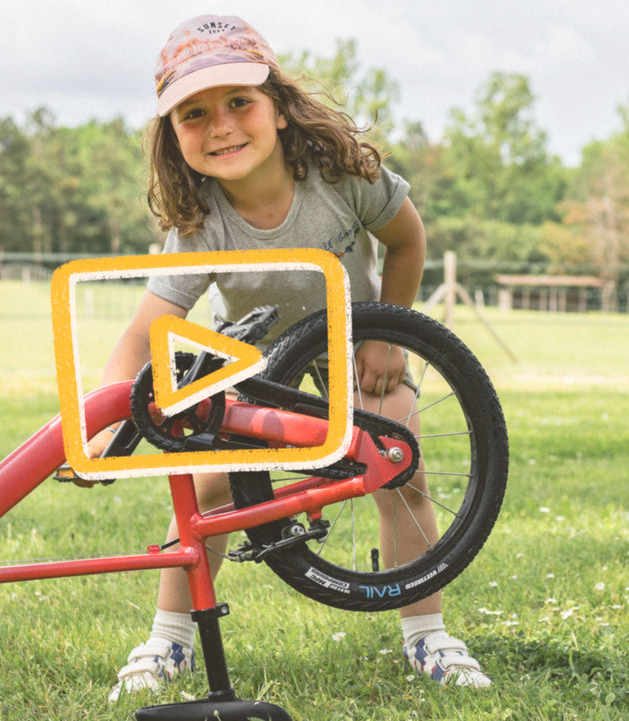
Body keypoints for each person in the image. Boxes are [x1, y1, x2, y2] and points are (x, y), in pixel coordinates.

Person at [91, 15, 491, 700]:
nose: (221, 127)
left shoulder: (342, 176)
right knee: (211, 482)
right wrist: (100, 419)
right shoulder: (200, 221)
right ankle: (169, 639)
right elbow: (142, 335)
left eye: (239, 102)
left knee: (400, 459)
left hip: (350, 344)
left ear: (279, 108)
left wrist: (387, 335)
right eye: (194, 114)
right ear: (173, 136)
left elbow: (408, 241)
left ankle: (427, 632)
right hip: (252, 354)